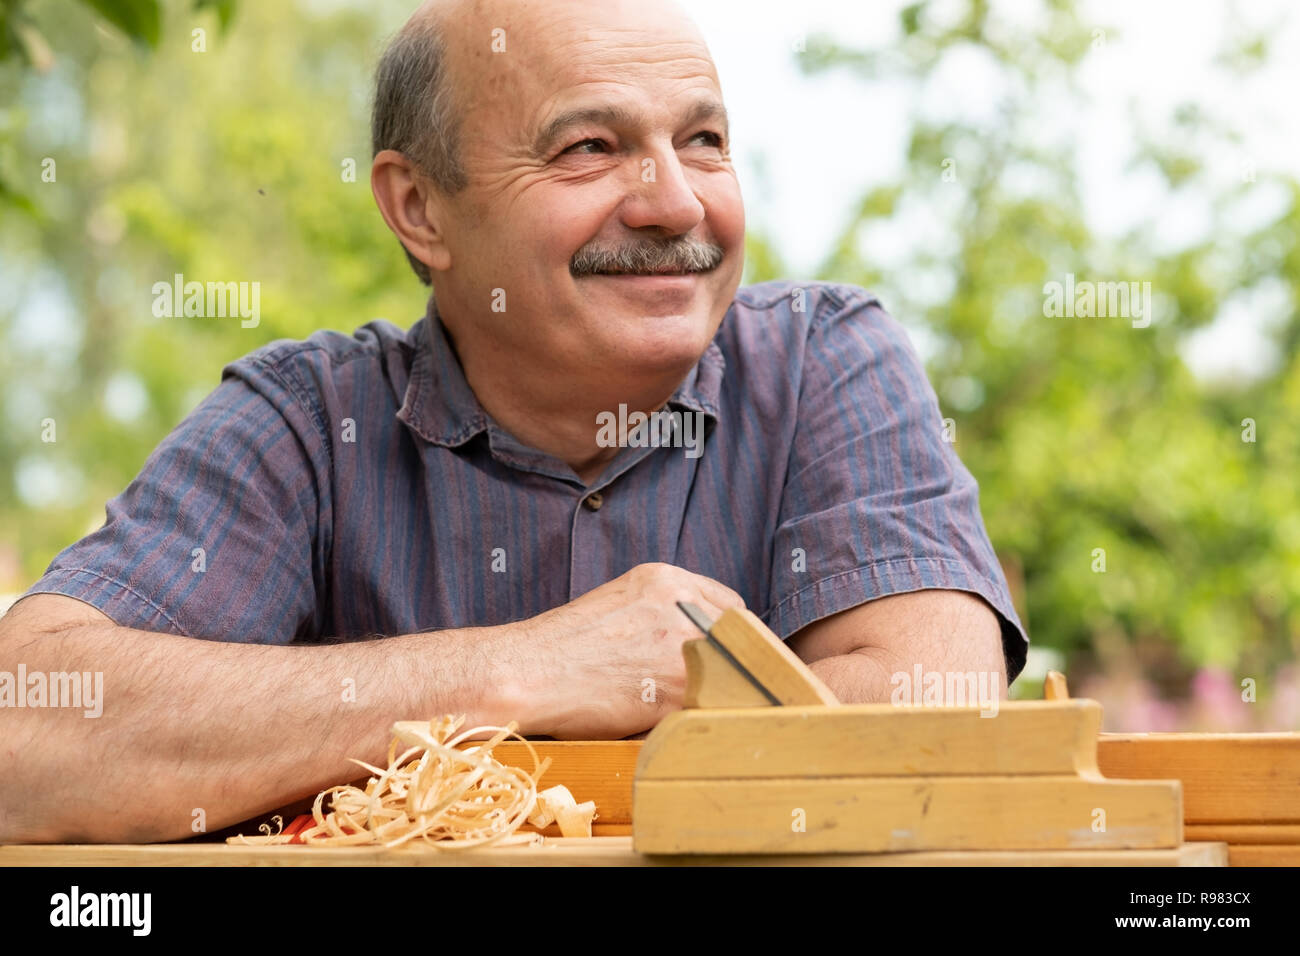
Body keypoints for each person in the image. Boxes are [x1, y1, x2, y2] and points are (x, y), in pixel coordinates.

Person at [0, 0, 1026, 843]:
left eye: (702, 141)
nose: (673, 202)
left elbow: (932, 708)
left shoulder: (824, 360)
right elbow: (28, 726)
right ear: (420, 210)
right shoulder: (308, 423)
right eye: (590, 147)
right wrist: (527, 666)